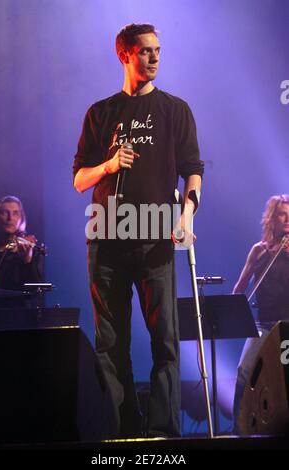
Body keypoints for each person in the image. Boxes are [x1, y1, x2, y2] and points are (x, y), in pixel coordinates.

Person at [73, 23, 204, 438]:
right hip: (107, 240)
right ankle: (120, 433)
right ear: (125, 55)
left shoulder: (175, 110)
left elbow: (193, 171)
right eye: (146, 51)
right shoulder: (101, 112)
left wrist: (187, 214)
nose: (155, 58)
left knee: (165, 341)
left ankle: (164, 433)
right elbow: (79, 180)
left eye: (158, 51)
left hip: (155, 241)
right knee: (111, 346)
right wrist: (109, 166)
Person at [233, 194, 289, 433]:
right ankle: (240, 427)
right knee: (245, 370)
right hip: (263, 323)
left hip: (288, 324)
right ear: (271, 218)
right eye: (282, 214)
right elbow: (239, 288)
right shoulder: (259, 251)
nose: (287, 220)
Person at [0, 195, 44, 292]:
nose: (10, 218)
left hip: (17, 305)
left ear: (21, 218)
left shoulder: (30, 249)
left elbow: (34, 289)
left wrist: (27, 261)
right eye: (4, 213)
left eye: (15, 213)